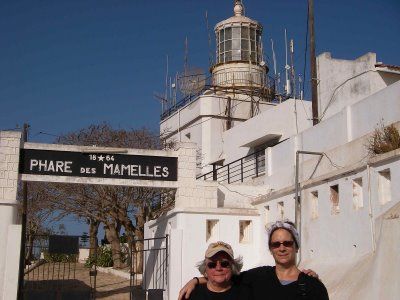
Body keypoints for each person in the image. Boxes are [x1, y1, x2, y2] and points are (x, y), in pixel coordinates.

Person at [179, 220, 328, 300]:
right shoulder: (258, 276)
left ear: (296, 247)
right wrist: (196, 281)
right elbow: (224, 276)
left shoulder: (313, 286)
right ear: (270, 249)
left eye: (287, 243)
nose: (281, 248)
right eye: (276, 244)